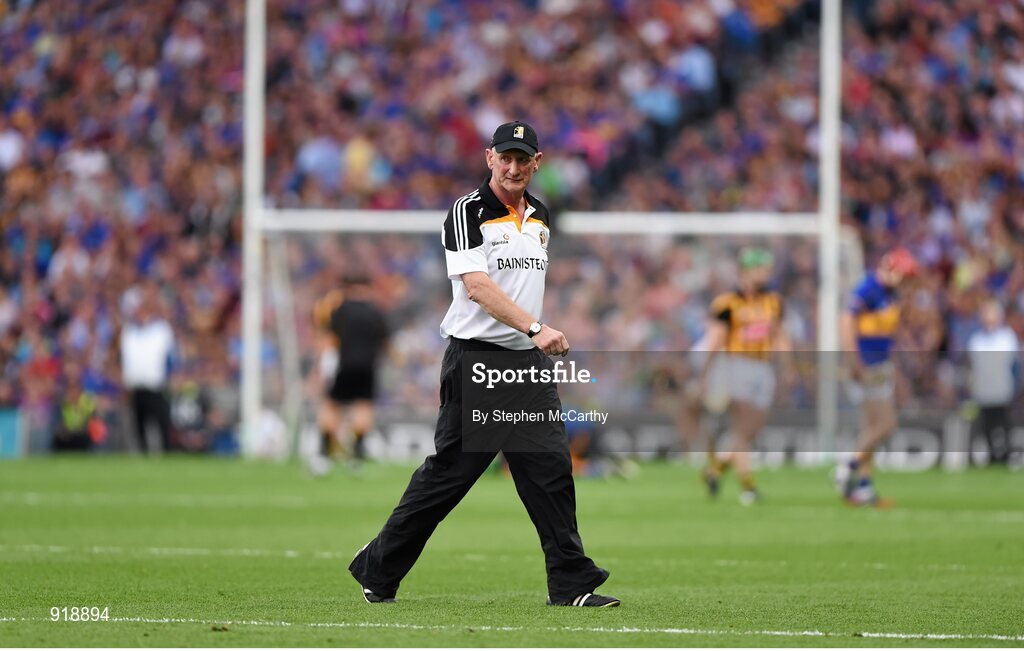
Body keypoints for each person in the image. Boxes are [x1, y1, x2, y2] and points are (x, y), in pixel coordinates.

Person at [348, 121, 617, 608]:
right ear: (489, 158)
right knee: (451, 476)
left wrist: (533, 339)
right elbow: (477, 287)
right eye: (505, 158)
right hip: (478, 363)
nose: (514, 167)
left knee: (551, 469)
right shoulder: (466, 212)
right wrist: (537, 328)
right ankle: (377, 567)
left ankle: (572, 583)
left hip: (526, 366)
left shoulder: (541, 215)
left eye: (523, 159)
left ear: (538, 164)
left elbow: (518, 287)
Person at [698, 247, 790, 505]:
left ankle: (716, 468)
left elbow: (779, 335)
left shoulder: (774, 301)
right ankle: (748, 486)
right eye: (759, 269)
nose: (764, 274)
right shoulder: (726, 303)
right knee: (741, 428)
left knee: (751, 430)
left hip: (763, 367)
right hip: (736, 366)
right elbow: (716, 340)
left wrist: (788, 364)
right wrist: (706, 374)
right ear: (744, 272)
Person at [835, 247, 918, 506]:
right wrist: (854, 361)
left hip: (880, 365)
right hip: (867, 367)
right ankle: (847, 467)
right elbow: (846, 323)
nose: (905, 282)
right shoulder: (868, 288)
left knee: (871, 427)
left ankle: (864, 486)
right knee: (886, 423)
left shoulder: (889, 293)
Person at [311, 274, 390, 471]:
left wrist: (322, 365)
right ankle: (356, 455)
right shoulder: (375, 312)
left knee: (332, 405)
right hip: (368, 366)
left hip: (343, 365)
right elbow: (384, 342)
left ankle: (323, 454)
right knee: (363, 406)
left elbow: (330, 338)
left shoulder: (340, 309)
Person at [120, 286, 175, 453]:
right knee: (139, 426)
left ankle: (167, 454)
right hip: (136, 386)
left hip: (155, 385)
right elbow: (123, 358)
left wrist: (169, 377)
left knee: (161, 424)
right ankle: (143, 456)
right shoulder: (128, 332)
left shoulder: (161, 330)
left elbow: (170, 357)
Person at [966, 299, 1020, 466]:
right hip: (983, 390)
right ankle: (992, 456)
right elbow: (973, 366)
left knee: (1004, 424)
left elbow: (1013, 364)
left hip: (1002, 389)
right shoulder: (976, 339)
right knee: (987, 425)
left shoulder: (1007, 337)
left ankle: (1006, 454)